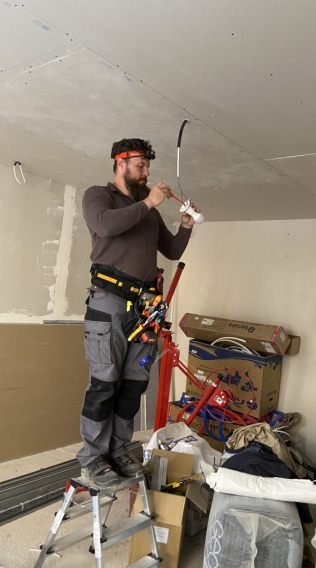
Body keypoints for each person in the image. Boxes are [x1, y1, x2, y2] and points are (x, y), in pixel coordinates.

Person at [76, 138, 197, 487]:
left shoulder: (150, 213)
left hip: (144, 311)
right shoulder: (99, 196)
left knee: (133, 385)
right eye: (140, 165)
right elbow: (105, 226)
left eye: (147, 166)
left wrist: (186, 226)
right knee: (104, 383)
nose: (146, 172)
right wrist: (148, 202)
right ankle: (93, 458)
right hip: (109, 304)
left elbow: (171, 250)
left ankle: (117, 450)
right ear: (121, 163)